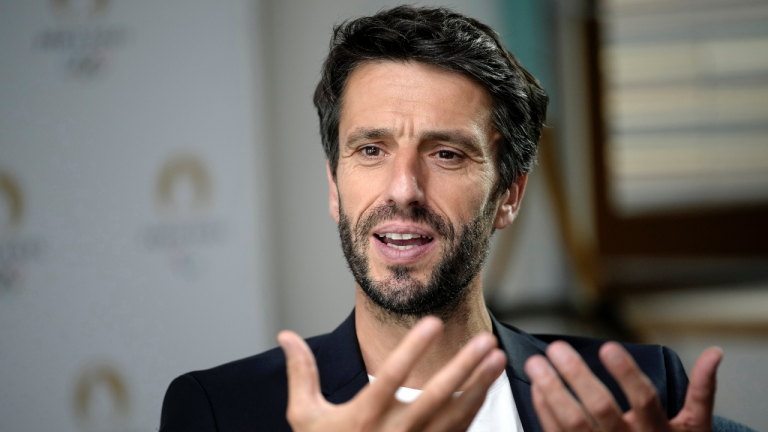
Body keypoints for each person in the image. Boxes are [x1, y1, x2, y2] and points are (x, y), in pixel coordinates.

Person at [160, 6, 752, 432]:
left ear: (509, 195)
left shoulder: (631, 396)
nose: (405, 190)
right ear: (333, 185)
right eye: (371, 150)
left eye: (447, 154)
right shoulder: (222, 411)